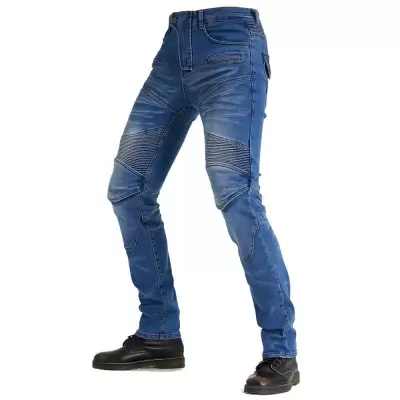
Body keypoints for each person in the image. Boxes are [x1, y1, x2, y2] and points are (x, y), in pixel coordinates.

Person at [93, 7, 299, 395]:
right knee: (128, 188)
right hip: (173, 49)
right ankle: (159, 335)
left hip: (231, 46)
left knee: (235, 194)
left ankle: (281, 352)